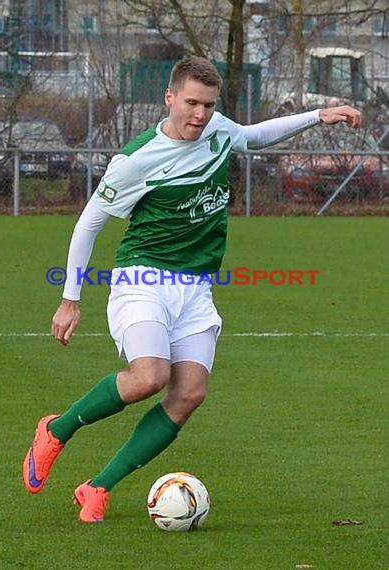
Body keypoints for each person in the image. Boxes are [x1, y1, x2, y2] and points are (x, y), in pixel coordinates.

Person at [23, 56, 361, 523]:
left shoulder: (219, 130)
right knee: (149, 377)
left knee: (189, 394)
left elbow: (254, 134)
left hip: (196, 288)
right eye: (191, 103)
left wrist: (317, 116)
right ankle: (56, 430)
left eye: (208, 104)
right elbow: (89, 224)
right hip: (142, 279)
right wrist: (70, 299)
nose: (200, 114)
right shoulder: (136, 159)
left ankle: (97, 487)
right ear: (169, 98)